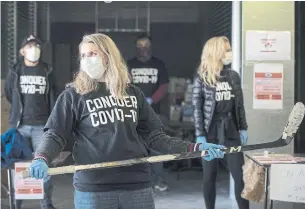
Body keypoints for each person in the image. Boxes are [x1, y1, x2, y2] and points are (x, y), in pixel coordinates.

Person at [27, 33, 225, 209]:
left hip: (136, 186)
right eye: (84, 55)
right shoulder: (73, 96)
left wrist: (195, 148)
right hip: (93, 189)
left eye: (93, 54)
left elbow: (157, 137)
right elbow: (55, 133)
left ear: (108, 56)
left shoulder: (133, 94)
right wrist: (42, 157)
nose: (87, 60)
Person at [192, 36, 249, 209]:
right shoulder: (202, 77)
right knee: (209, 175)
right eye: (227, 49)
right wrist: (200, 135)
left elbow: (239, 105)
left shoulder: (233, 76)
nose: (229, 53)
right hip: (211, 131)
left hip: (231, 128)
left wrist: (243, 128)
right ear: (216, 52)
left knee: (239, 175)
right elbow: (197, 109)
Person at [4, 35, 57, 209]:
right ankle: (16, 203)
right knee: (18, 166)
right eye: (29, 46)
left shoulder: (47, 70)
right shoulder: (15, 71)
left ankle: (46, 203)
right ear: (22, 51)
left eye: (36, 46)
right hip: (20, 126)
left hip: (42, 126)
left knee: (44, 164)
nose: (34, 49)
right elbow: (10, 94)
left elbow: (53, 96)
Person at [127, 34, 170, 191]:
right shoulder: (129, 64)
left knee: (156, 146)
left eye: (146, 45)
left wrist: (151, 100)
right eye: (140, 45)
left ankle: (159, 180)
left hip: (155, 113)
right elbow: (124, 85)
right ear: (136, 47)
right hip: (133, 113)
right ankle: (141, 180)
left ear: (151, 46)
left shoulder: (159, 64)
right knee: (135, 147)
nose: (143, 48)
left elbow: (164, 86)